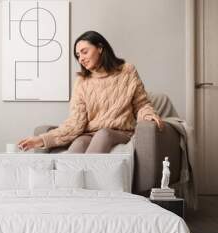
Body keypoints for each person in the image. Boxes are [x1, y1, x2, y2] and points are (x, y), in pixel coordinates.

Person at [18, 31, 164, 153]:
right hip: (90, 133)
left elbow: (141, 103)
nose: (80, 59)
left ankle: (90, 185)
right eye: (78, 55)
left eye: (84, 52)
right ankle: (63, 185)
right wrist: (42, 139)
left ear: (100, 48)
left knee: (104, 134)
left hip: (121, 132)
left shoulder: (127, 71)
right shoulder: (82, 81)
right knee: (79, 143)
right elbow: (76, 122)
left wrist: (148, 115)